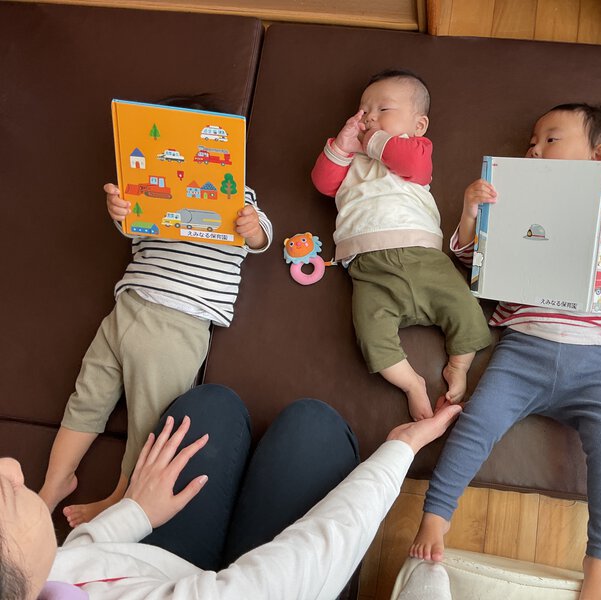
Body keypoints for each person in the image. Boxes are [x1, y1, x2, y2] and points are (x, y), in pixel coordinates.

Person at [409, 103, 601, 600]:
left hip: (598, 361)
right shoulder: (515, 197)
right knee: (477, 422)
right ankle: (436, 515)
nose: (534, 149)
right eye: (532, 142)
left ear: (597, 157)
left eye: (550, 139)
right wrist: (471, 214)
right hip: (522, 350)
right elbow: (473, 261)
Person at [0, 384, 462, 599]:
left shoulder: (26, 576)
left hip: (151, 569)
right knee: (313, 428)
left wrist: (134, 511)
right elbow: (313, 554)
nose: (11, 466)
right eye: (4, 494)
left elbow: (71, 562)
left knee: (208, 407)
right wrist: (401, 450)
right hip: (279, 589)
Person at [38, 176, 273, 528]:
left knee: (150, 423)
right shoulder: (152, 179)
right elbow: (134, 225)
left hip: (178, 323)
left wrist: (253, 229)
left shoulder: (238, 194)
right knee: (86, 397)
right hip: (127, 305)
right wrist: (120, 210)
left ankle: (123, 498)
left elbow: (262, 237)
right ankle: (55, 481)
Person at [311, 69, 492, 421]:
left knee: (467, 310)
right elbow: (323, 184)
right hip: (367, 267)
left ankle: (458, 366)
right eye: (364, 111)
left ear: (418, 125)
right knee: (370, 336)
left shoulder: (415, 149)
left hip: (422, 255)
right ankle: (411, 384)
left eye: (383, 109)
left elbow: (410, 163)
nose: (369, 118)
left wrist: (373, 140)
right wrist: (342, 146)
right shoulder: (351, 160)